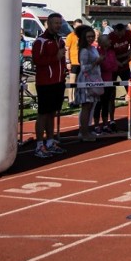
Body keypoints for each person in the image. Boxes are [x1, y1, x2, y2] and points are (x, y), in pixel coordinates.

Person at [31, 13, 67, 158]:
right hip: (45, 82)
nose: (58, 25)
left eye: (60, 23)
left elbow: (61, 60)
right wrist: (55, 58)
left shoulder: (60, 40)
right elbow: (37, 61)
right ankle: (40, 145)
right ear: (48, 24)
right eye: (55, 23)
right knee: (43, 113)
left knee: (52, 113)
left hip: (58, 81)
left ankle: (50, 142)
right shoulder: (41, 41)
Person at [75, 25, 104, 141]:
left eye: (92, 36)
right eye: (88, 37)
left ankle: (86, 130)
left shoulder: (93, 48)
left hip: (95, 79)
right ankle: (83, 132)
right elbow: (83, 68)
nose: (91, 39)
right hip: (86, 80)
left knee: (91, 106)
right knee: (86, 106)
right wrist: (96, 62)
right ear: (84, 38)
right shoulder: (84, 51)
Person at [65, 19, 83, 107]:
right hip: (73, 62)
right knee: (72, 81)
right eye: (78, 26)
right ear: (74, 26)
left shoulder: (82, 36)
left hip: (81, 62)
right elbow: (67, 49)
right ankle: (70, 99)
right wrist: (68, 61)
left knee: (79, 82)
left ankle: (77, 99)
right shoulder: (71, 36)